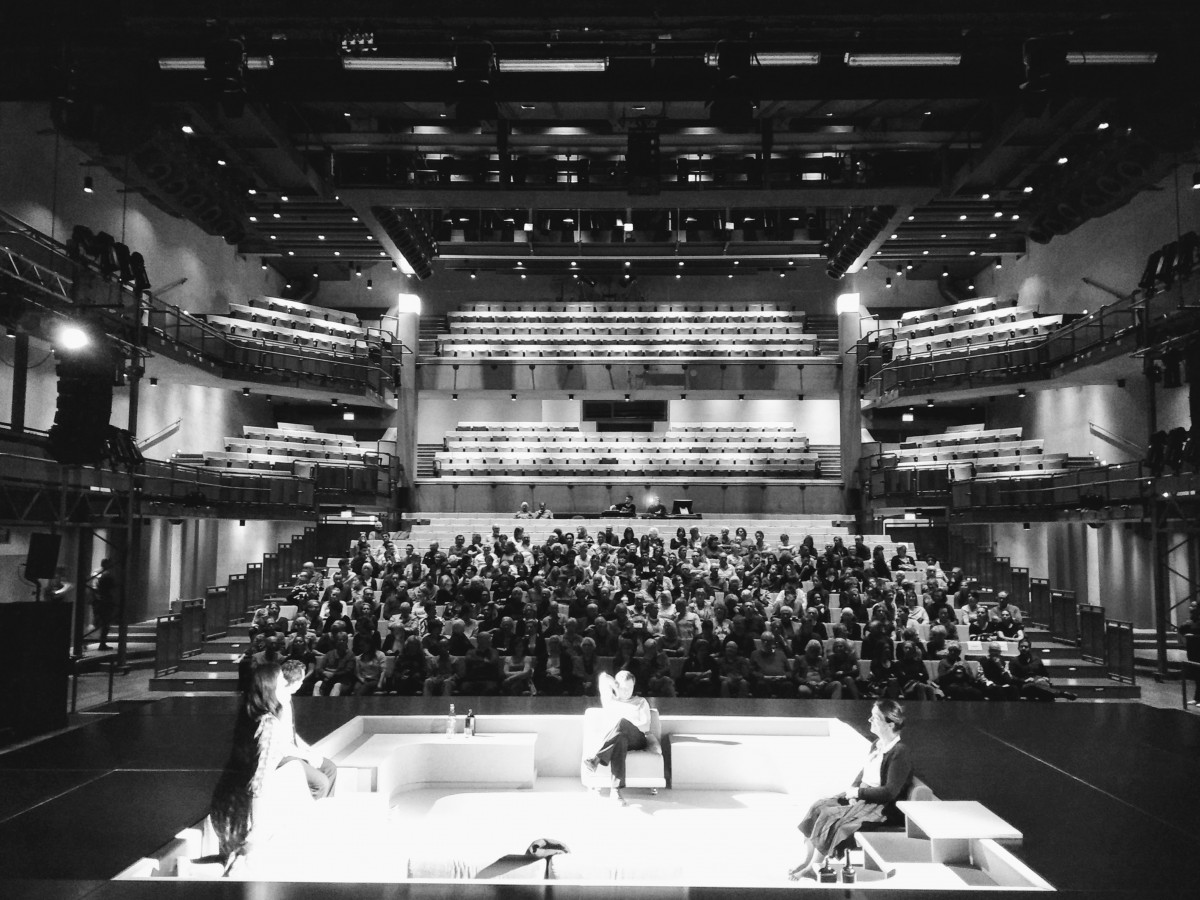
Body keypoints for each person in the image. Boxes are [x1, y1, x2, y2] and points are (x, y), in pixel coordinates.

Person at [788, 700, 914, 881]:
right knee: (819, 806)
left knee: (831, 816)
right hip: (863, 795)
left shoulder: (900, 752)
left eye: (875, 718)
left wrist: (858, 794)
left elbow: (889, 792)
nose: (870, 720)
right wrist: (853, 789)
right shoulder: (877, 744)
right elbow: (864, 773)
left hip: (881, 807)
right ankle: (807, 861)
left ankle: (813, 867)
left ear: (890, 724)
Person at [583, 670, 651, 805]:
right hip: (619, 740)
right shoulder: (610, 700)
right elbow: (603, 677)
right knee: (620, 739)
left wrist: (628, 725)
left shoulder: (641, 702)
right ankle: (615, 791)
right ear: (616, 686)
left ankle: (596, 758)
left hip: (637, 738)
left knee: (622, 723)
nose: (626, 692)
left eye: (630, 688)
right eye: (623, 688)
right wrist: (614, 684)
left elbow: (646, 726)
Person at [88, 558, 117, 650]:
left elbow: (92, 585)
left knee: (95, 622)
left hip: (95, 600)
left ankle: (85, 641)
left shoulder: (95, 573)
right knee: (105, 623)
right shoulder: (107, 575)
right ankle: (102, 643)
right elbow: (112, 586)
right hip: (105, 600)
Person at [1177, 601, 1200, 707]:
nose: (1191, 608)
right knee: (1196, 674)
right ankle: (1197, 698)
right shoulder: (1191, 620)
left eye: (1194, 606)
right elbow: (1182, 629)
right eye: (1191, 606)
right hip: (1192, 650)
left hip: (1198, 648)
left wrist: (1193, 635)